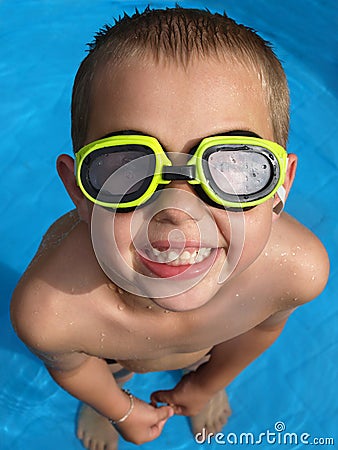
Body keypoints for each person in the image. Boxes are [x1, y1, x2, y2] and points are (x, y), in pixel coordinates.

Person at [10, 6, 329, 450]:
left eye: (234, 165)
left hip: (210, 346)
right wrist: (120, 408)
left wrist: (205, 383)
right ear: (79, 191)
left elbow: (259, 331)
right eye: (127, 166)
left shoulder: (295, 271)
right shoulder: (54, 310)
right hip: (112, 349)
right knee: (108, 365)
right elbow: (72, 366)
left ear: (280, 186)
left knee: (215, 346)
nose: (177, 211)